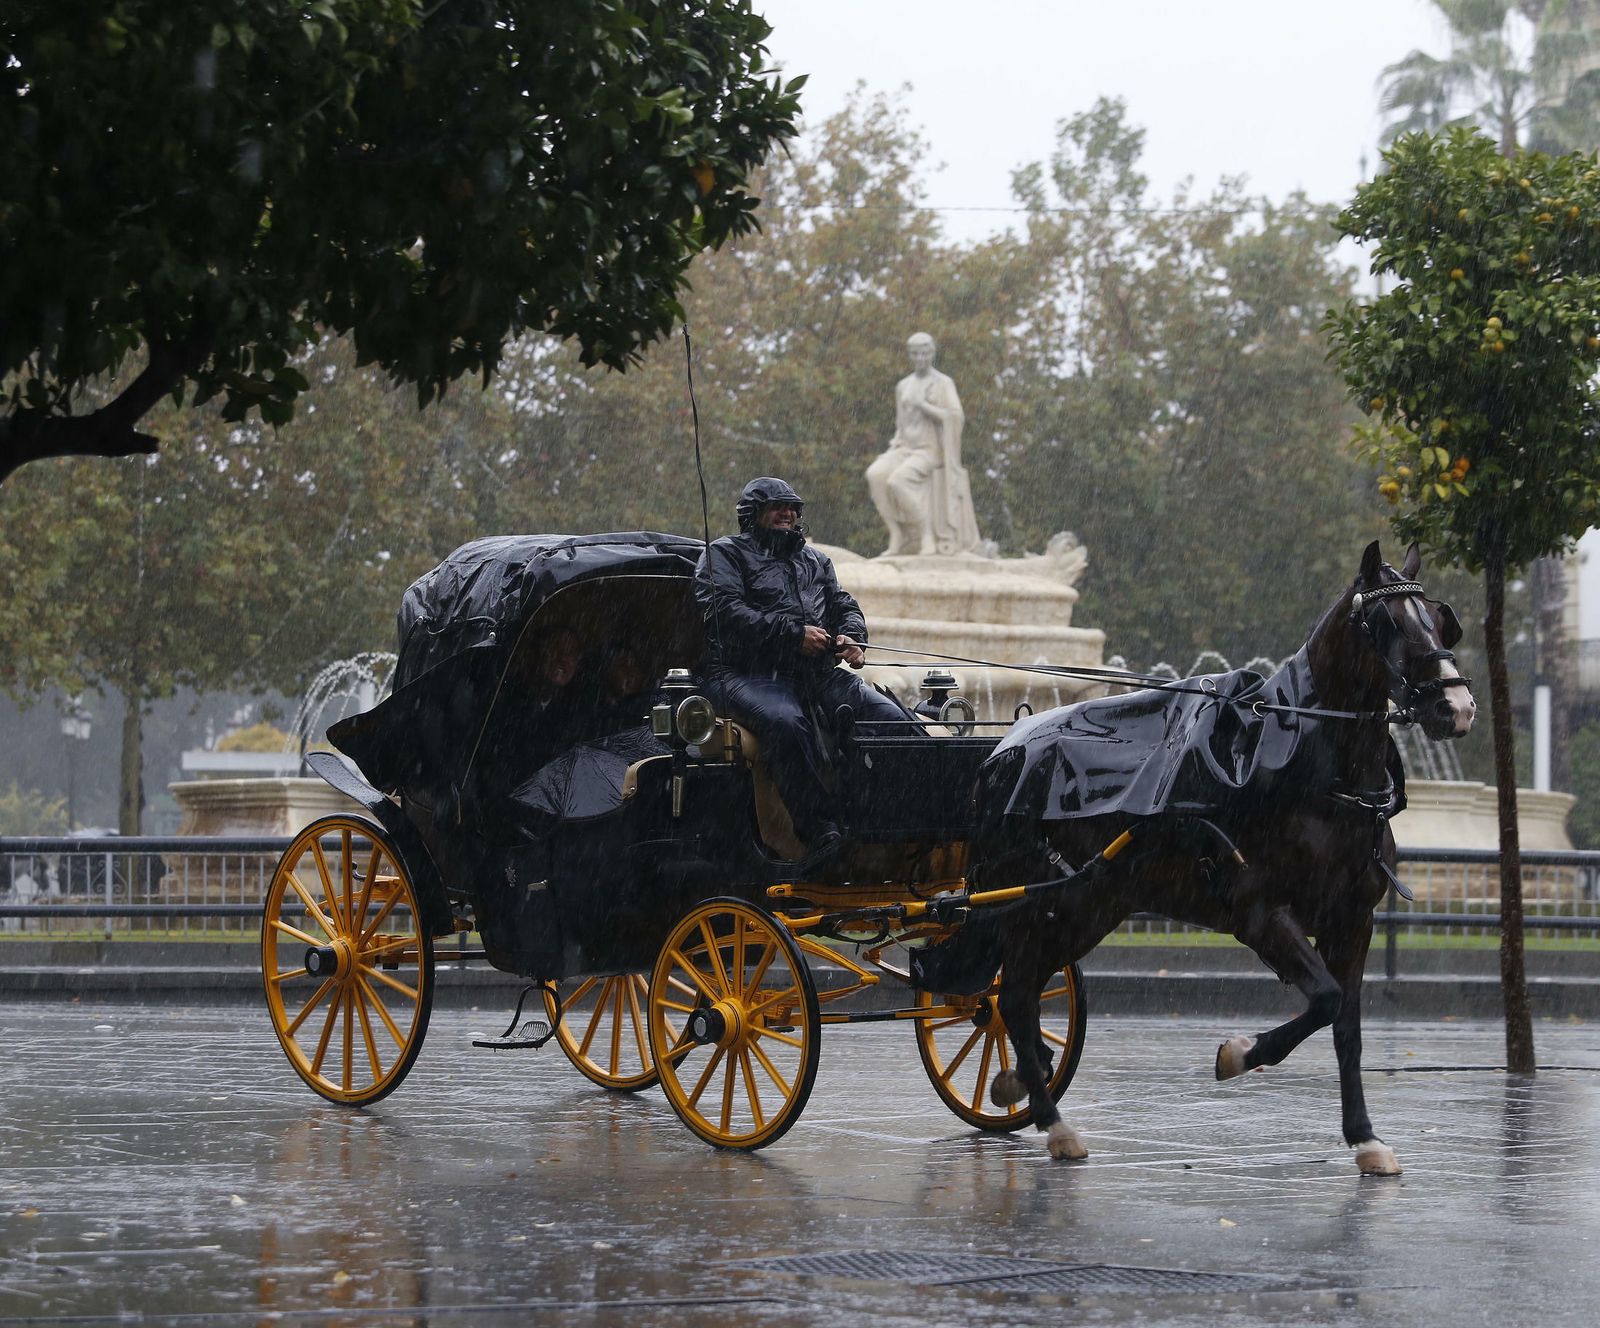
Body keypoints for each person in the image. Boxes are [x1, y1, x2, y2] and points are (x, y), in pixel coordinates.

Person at [696, 476, 915, 853]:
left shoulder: (815, 560)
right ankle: (820, 830)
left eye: (793, 507)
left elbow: (843, 604)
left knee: (890, 719)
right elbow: (721, 611)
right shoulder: (724, 555)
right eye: (777, 506)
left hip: (816, 674)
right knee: (786, 723)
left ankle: (888, 819)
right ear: (752, 514)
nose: (789, 512)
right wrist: (792, 634)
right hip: (743, 673)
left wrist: (851, 636)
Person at [865, 331, 981, 557]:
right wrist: (895, 446)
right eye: (916, 354)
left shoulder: (943, 383)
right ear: (910, 355)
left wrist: (924, 405)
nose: (920, 358)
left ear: (932, 353)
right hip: (904, 448)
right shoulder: (903, 385)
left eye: (925, 353)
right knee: (875, 474)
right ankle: (896, 534)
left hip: (929, 450)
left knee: (898, 482)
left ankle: (925, 534)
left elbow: (955, 417)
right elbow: (901, 423)